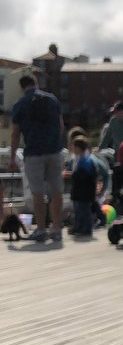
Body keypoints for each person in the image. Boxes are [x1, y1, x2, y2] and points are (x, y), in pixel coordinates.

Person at [10, 73, 64, 243]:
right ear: (36, 83)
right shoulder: (53, 100)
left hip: (33, 153)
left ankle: (41, 229)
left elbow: (15, 133)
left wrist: (12, 156)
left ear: (22, 87)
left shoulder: (20, 103)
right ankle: (57, 229)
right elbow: (61, 125)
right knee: (57, 190)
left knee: (38, 192)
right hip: (55, 151)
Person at [69, 136, 97, 237]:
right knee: (79, 211)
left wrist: (72, 175)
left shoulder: (84, 161)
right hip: (82, 192)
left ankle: (85, 228)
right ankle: (79, 227)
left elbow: (81, 175)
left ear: (78, 148)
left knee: (83, 211)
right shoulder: (82, 160)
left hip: (82, 192)